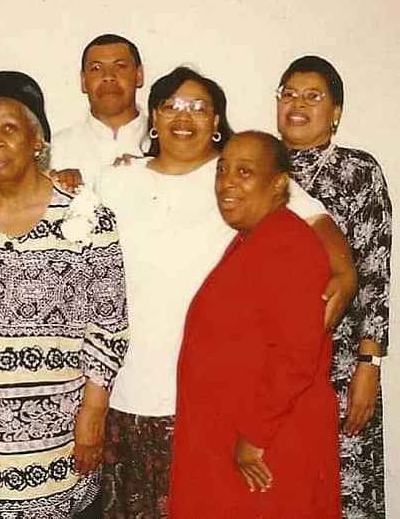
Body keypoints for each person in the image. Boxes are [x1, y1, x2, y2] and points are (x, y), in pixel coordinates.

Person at [97, 66, 356, 517]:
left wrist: (346, 270)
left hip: (260, 432)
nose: (228, 183)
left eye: (199, 107)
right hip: (172, 406)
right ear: (153, 116)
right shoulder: (248, 234)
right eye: (172, 105)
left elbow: (296, 353)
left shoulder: (284, 236)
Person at [0, 71, 129, 519]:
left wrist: (94, 411)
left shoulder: (86, 215)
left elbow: (109, 326)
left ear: (37, 141)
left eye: (9, 129)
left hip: (55, 442)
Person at [169, 131, 341, 518]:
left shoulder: (289, 244)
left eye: (244, 172)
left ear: (278, 183)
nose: (227, 183)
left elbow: (297, 355)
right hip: (240, 437)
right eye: (222, 170)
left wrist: (255, 435)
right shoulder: (256, 237)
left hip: (268, 447)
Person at [276, 55, 392, 519]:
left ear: (336, 112)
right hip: (272, 371)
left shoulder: (358, 171)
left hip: (341, 365)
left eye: (313, 96)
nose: (297, 105)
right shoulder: (254, 167)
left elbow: (375, 274)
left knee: (345, 494)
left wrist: (369, 364)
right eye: (288, 94)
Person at [50, 33, 148, 185]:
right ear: (83, 81)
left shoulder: (166, 142)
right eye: (96, 68)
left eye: (120, 66)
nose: (108, 76)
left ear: (139, 75)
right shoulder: (56, 149)